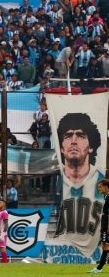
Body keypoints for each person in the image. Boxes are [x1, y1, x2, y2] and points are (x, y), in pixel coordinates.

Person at [56, 111, 106, 258]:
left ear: (91, 146)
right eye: (68, 135)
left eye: (81, 135)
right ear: (61, 147)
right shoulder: (54, 183)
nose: (73, 141)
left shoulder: (102, 183)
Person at [91, 179, 109, 273]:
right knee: (105, 245)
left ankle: (99, 268)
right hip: (105, 223)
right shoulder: (106, 196)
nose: (99, 189)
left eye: (100, 187)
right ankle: (99, 268)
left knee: (105, 246)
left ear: (106, 186)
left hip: (107, 224)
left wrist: (108, 226)